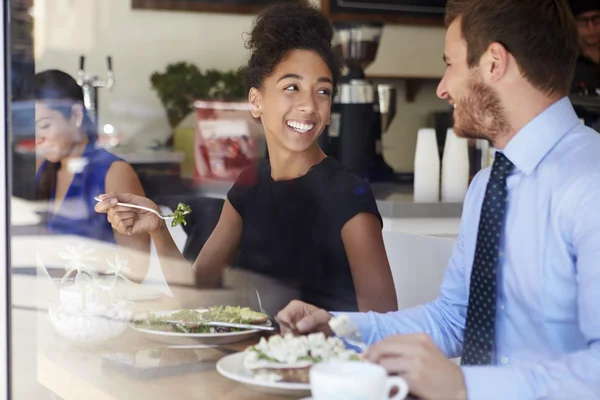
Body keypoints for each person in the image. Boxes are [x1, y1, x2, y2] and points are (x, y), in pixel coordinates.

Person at [276, 0, 600, 399]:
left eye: (451, 64)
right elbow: (455, 317)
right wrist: (339, 329)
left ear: (494, 63)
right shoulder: (487, 185)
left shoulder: (590, 184)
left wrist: (465, 386)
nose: (443, 88)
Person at [95, 1, 398, 313]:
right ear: (256, 101)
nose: (309, 105)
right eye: (292, 87)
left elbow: (383, 322)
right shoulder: (249, 186)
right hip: (248, 358)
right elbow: (193, 294)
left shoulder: (348, 194)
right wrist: (159, 226)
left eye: (322, 91)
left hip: (320, 359)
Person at [33, 70, 150, 270]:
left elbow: (137, 269)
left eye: (44, 125)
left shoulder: (114, 172)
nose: (37, 140)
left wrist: (71, 257)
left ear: (76, 115)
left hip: (98, 297)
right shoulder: (42, 168)